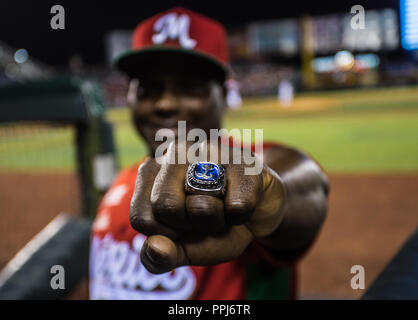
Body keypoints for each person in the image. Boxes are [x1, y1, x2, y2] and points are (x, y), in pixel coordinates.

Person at [89, 7, 329, 300]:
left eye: (190, 88)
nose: (164, 104)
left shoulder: (245, 162)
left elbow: (300, 185)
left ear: (226, 96)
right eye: (148, 89)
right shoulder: (125, 180)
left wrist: (267, 197)